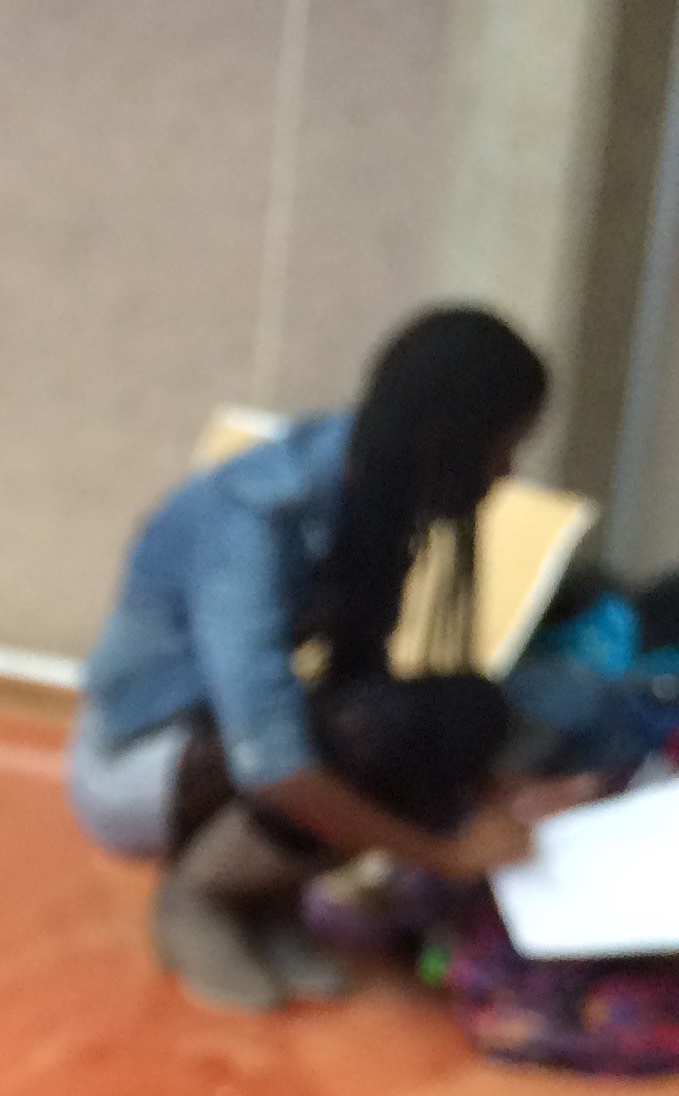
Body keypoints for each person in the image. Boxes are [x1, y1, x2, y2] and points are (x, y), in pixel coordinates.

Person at [73, 307, 568, 1014]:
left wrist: (489, 793)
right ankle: (197, 896)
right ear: (450, 440)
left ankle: (267, 899)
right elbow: (273, 762)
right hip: (137, 765)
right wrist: (445, 853)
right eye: (502, 448)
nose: (506, 472)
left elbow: (359, 681)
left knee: (460, 714)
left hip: (222, 743)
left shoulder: (374, 490)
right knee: (376, 733)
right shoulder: (254, 519)